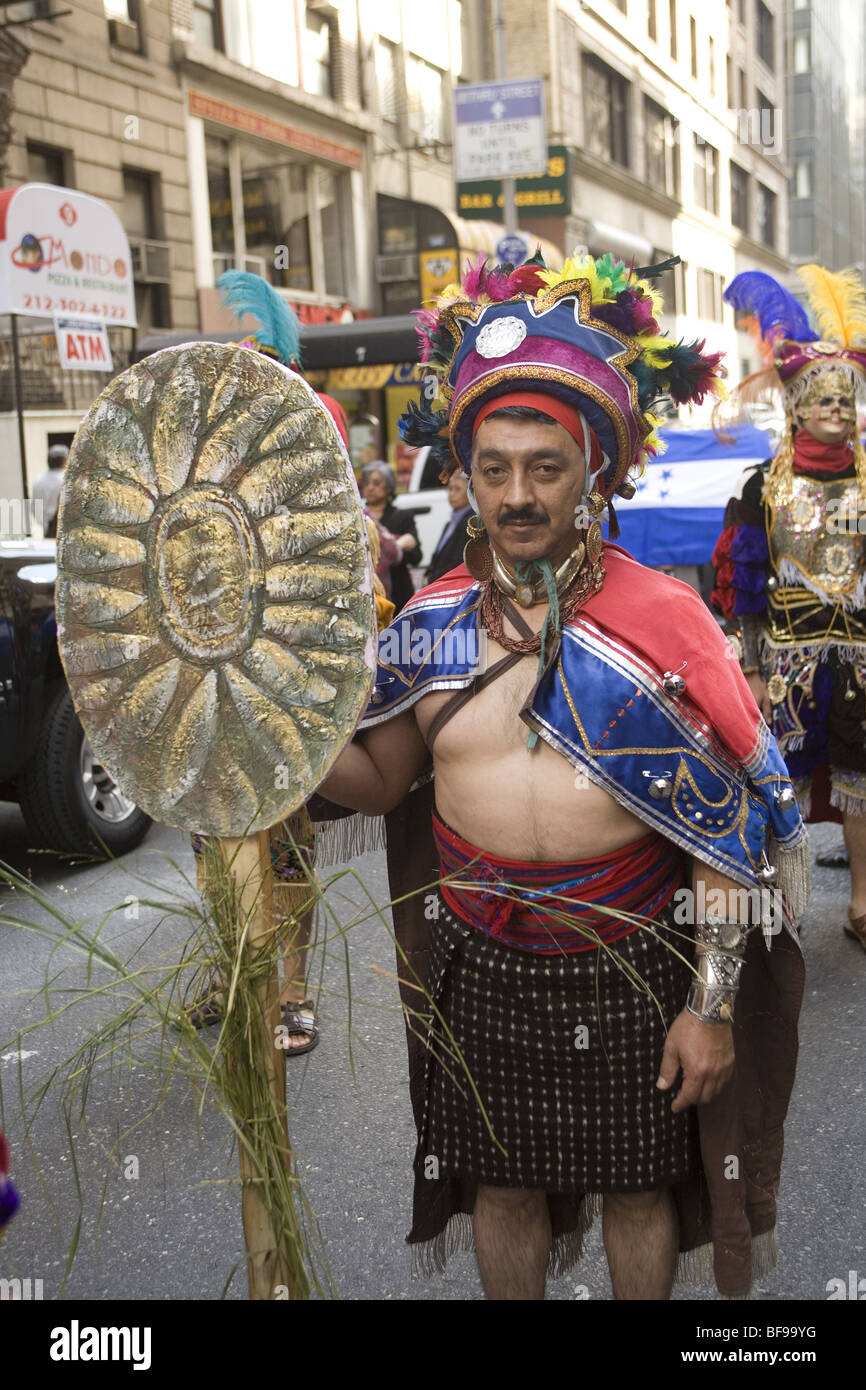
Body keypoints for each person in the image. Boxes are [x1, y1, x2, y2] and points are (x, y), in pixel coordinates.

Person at [317, 252, 807, 1299]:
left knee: (636, 1190)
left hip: (632, 957)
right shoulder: (432, 626)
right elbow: (378, 778)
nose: (516, 493)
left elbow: (719, 831)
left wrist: (710, 1003)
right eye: (492, 469)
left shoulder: (663, 625)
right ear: (463, 477)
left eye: (544, 467)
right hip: (478, 963)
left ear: (592, 474)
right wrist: (276, 724)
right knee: (500, 1187)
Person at [712, 265, 866, 951]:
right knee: (785, 781)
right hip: (788, 659)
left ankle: (863, 900)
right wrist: (746, 664)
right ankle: (784, 902)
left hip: (862, 657)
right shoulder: (761, 488)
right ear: (798, 407)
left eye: (846, 401)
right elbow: (743, 588)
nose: (835, 410)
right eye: (823, 401)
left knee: (863, 778)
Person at [359, 462, 421, 613]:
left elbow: (416, 557)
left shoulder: (401, 517)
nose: (370, 487)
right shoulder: (358, 517)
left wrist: (395, 549)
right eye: (366, 483)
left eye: (377, 483)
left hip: (397, 591)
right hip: (366, 591)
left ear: (388, 487)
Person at [425, 469, 472, 583]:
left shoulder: (470, 522)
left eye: (457, 489)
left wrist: (433, 579)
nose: (452, 494)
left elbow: (458, 562)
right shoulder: (450, 523)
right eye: (450, 489)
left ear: (469, 492)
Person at [31, 443, 68, 538]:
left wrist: (44, 522)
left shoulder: (38, 480)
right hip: (64, 532)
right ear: (65, 460)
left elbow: (34, 507)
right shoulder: (67, 479)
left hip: (46, 530)